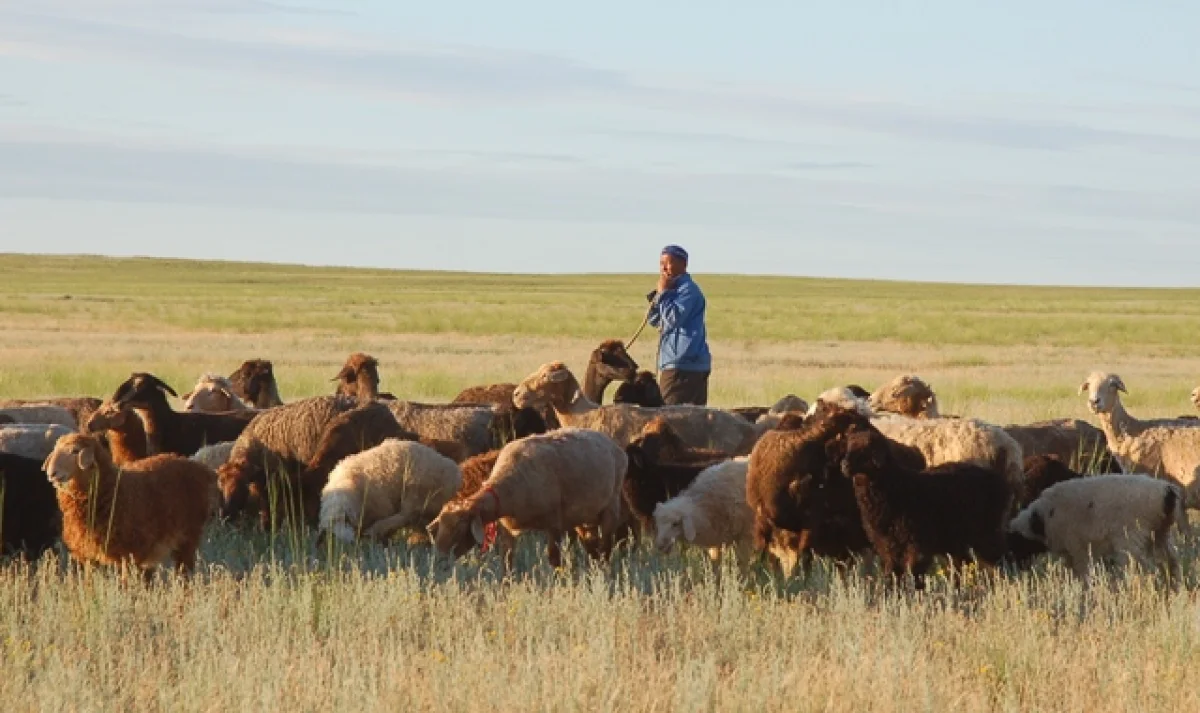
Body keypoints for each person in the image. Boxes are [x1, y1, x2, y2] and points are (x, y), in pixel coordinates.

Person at [646, 245, 711, 406]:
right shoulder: (673, 289)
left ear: (683, 264)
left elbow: (673, 319)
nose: (663, 267)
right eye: (661, 263)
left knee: (668, 417)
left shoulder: (688, 291)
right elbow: (656, 321)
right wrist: (657, 301)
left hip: (683, 365)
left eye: (669, 262)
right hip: (681, 363)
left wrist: (664, 294)